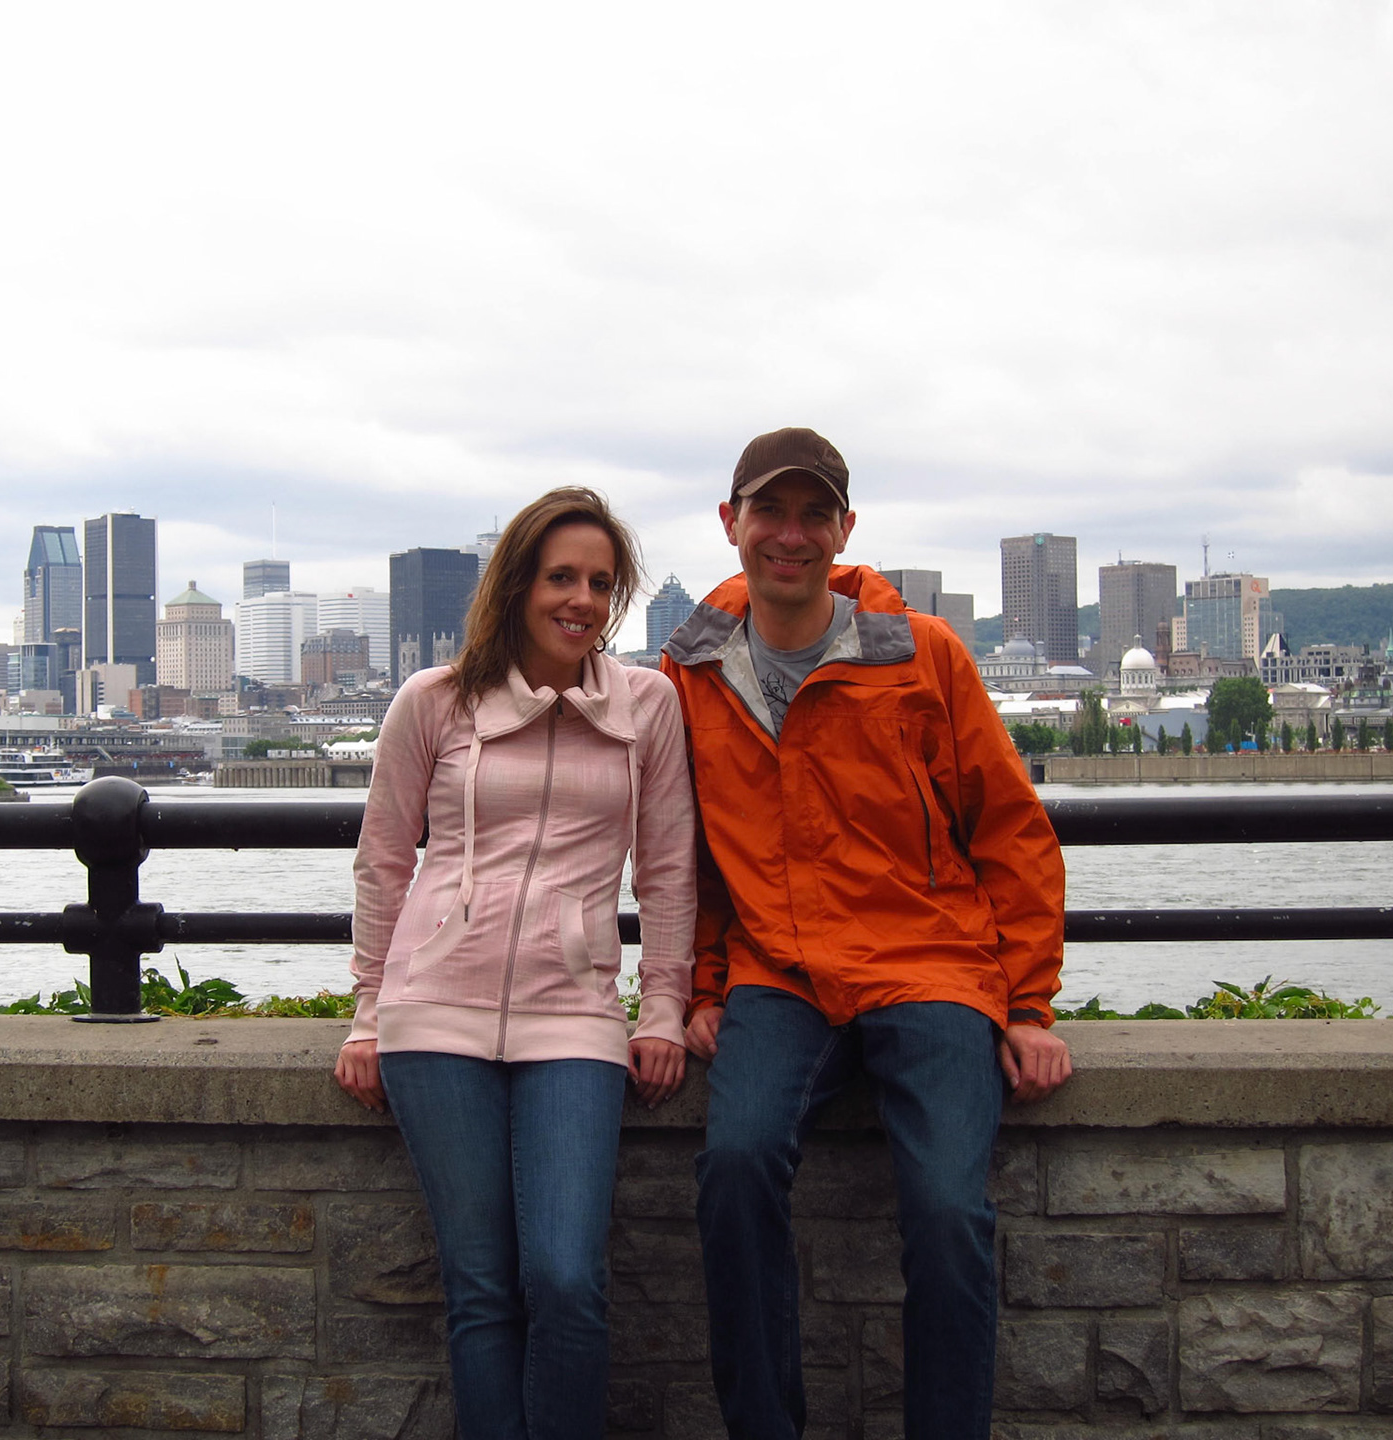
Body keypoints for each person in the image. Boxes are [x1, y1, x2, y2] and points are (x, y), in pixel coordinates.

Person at [660, 428, 1072, 1440]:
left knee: (946, 1212)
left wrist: (1026, 1004)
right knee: (737, 1168)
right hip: (781, 976)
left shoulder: (921, 655)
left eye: (813, 514)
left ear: (844, 530)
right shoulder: (693, 674)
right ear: (731, 524)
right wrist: (706, 986)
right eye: (769, 512)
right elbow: (691, 852)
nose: (789, 535)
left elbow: (1011, 828)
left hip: (929, 966)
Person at [335, 486, 696, 1440]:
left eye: (600, 583)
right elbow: (382, 861)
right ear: (519, 584)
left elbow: (665, 870)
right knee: (483, 1286)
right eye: (561, 577)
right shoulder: (435, 701)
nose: (580, 599)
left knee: (567, 1279)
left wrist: (662, 1008)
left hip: (574, 1012)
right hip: (434, 1010)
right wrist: (368, 1012)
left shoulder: (646, 706)